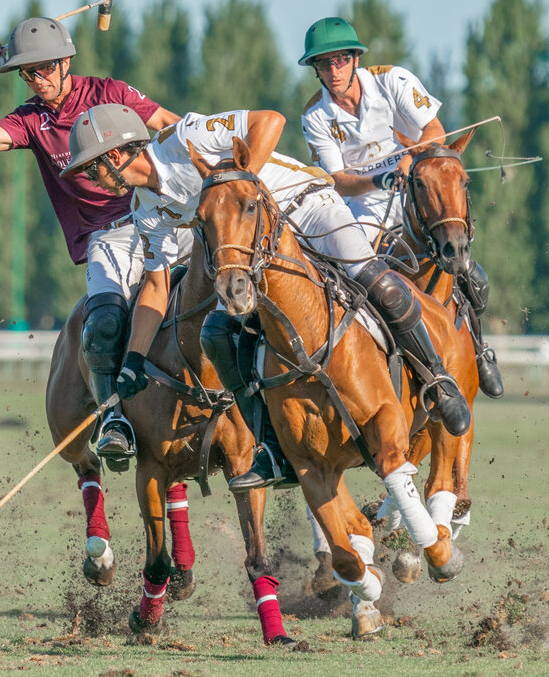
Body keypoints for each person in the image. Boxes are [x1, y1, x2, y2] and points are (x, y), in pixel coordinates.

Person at [62, 103, 472, 491]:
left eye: (90, 169)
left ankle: (438, 381)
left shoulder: (185, 135)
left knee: (373, 279)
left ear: (114, 157)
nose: (89, 180)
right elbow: (155, 287)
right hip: (251, 247)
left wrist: (245, 190)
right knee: (217, 335)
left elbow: (271, 121)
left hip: (303, 206)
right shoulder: (145, 208)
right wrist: (133, 362)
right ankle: (271, 447)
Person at [0, 17, 181, 465]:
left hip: (159, 213)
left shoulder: (110, 92)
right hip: (106, 235)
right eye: (27, 73)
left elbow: (171, 125)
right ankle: (114, 418)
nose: (36, 80)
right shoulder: (31, 119)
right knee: (102, 325)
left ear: (65, 62)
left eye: (42, 69)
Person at [298, 17, 503, 399]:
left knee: (454, 252)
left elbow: (435, 130)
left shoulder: (394, 80)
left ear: (355, 59)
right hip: (362, 207)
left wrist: (407, 163)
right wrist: (378, 181)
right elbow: (338, 178)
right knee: (363, 280)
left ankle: (479, 348)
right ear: (316, 70)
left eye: (340, 60)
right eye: (324, 64)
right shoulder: (315, 116)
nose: (333, 71)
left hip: (416, 190)